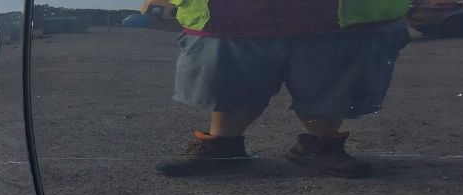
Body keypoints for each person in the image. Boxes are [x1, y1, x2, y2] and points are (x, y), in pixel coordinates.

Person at [155, 0, 411, 178]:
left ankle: (321, 144)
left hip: (340, 14)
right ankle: (222, 144)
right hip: (230, 13)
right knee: (228, 76)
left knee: (334, 78)